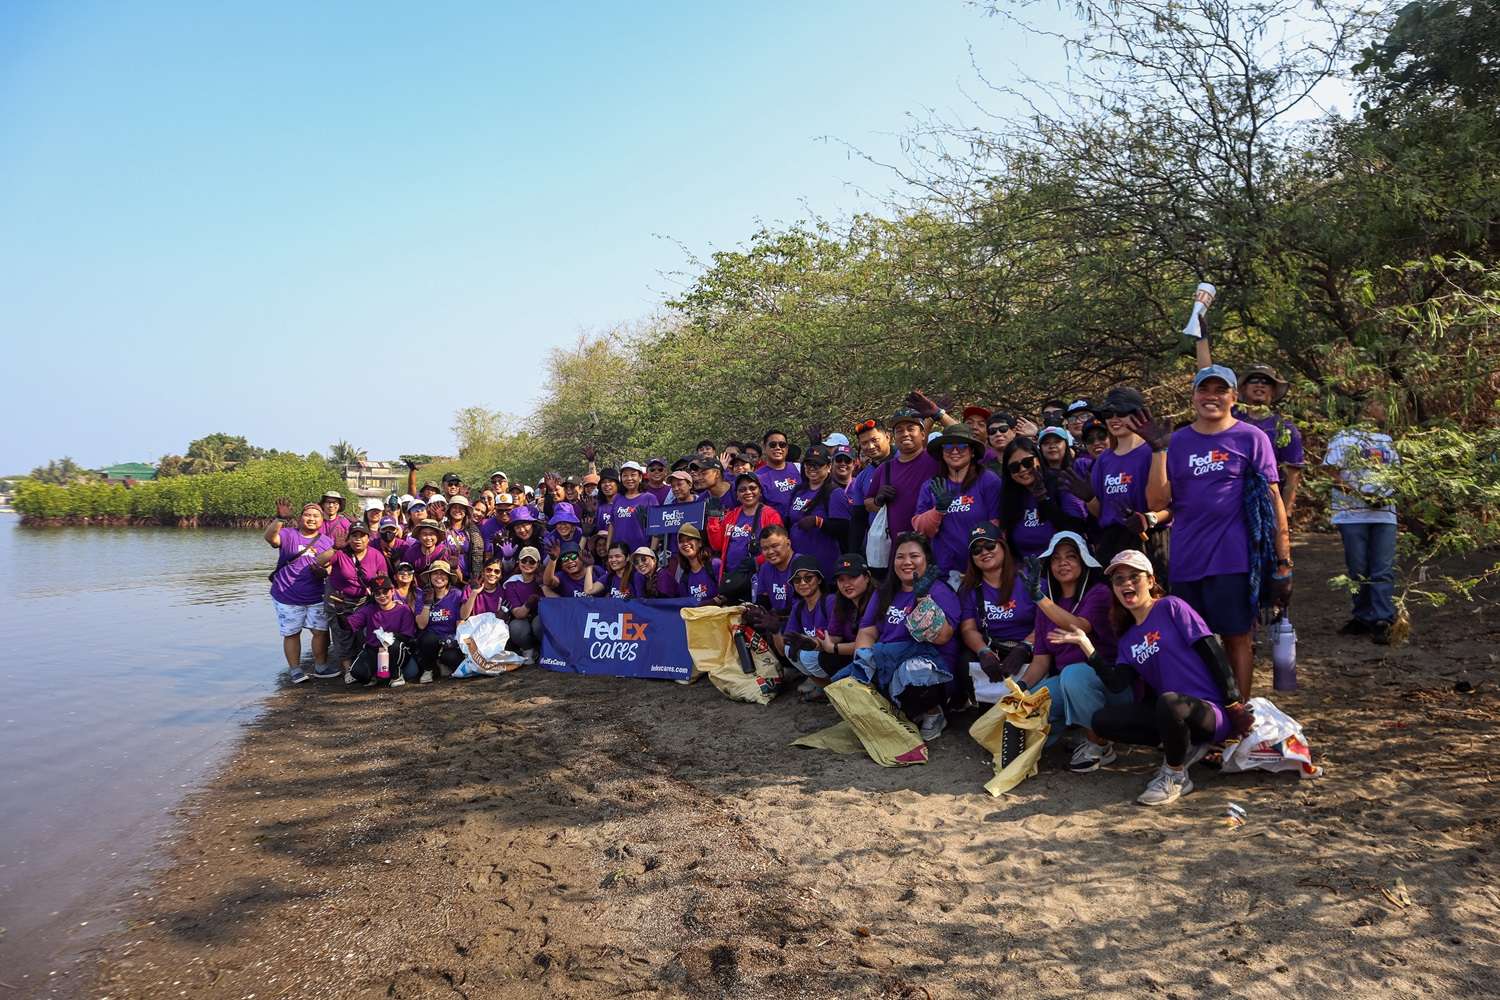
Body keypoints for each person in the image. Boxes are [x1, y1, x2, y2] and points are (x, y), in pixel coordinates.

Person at [1138, 365, 1292, 697]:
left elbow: (1273, 500)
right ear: (1193, 397)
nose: (1211, 396)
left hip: (1232, 560)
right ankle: (1205, 713)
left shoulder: (1252, 438)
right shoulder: (1177, 442)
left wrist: (1284, 561)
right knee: (1192, 640)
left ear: (1234, 397)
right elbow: (1157, 501)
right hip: (1186, 560)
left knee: (1238, 637)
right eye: (1203, 390)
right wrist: (1159, 451)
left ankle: (1241, 718)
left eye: (1220, 390)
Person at [1054, 549, 1251, 806]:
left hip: (1209, 712)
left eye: (1134, 576)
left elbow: (1212, 651)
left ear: (1150, 580)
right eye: (1119, 579)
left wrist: (1233, 703)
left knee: (1169, 703)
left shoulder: (1172, 607)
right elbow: (1116, 683)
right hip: (1171, 714)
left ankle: (1175, 775)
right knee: (1102, 720)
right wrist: (1086, 645)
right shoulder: (1127, 639)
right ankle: (1182, 745)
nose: (1126, 583)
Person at [841, 532, 963, 742]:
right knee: (848, 681)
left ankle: (934, 712)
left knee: (913, 672)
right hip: (888, 659)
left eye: (914, 556)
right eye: (900, 557)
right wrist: (863, 657)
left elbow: (943, 637)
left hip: (930, 663)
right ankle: (903, 711)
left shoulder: (940, 591)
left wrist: (923, 600)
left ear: (927, 559)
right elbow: (868, 629)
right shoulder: (884, 592)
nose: (907, 562)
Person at [1013, 533, 1120, 763]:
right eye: (1056, 559)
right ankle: (1079, 734)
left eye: (1071, 556)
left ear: (1083, 562)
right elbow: (1041, 661)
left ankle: (1099, 744)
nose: (1063, 563)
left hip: (1109, 684)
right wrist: (1020, 690)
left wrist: (1040, 598)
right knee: (1025, 714)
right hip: (1067, 684)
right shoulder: (1046, 606)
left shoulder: (1099, 593)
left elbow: (1079, 626)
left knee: (1073, 674)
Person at [1068, 386, 1172, 572]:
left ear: (1140, 414)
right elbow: (1101, 511)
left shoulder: (1153, 451)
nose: (1114, 419)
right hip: (1112, 541)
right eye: (1108, 413)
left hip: (1147, 538)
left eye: (1122, 412)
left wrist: (1158, 451)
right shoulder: (1103, 461)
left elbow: (1161, 504)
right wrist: (1090, 498)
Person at [1324, 398, 1400, 644]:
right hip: (1352, 513)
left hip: (1384, 514)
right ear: (1366, 408)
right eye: (1381, 404)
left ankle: (1382, 619)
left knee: (1382, 568)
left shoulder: (1386, 441)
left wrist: (1385, 494)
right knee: (1358, 568)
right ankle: (1362, 616)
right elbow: (1332, 472)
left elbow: (1398, 474)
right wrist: (1362, 496)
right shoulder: (1343, 438)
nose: (1385, 409)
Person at [912, 424, 1003, 583]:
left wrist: (987, 562)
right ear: (942, 452)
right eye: (948, 447)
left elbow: (997, 525)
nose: (955, 451)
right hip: (944, 572)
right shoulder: (931, 486)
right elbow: (920, 528)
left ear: (972, 451)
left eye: (962, 446)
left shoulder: (988, 480)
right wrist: (938, 510)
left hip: (983, 571)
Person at [265, 499, 336, 683]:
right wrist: (279, 519)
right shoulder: (288, 534)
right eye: (307, 515)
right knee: (292, 633)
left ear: (322, 520)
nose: (311, 519)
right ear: (300, 518)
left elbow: (329, 567)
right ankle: (295, 670)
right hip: (287, 594)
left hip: (316, 594)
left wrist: (324, 571)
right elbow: (270, 538)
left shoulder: (327, 541)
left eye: (316, 516)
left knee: (320, 631)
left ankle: (320, 666)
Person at [959, 523, 1037, 688]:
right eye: (977, 550)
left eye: (989, 545)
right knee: (964, 659)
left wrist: (1026, 646)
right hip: (993, 649)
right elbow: (968, 629)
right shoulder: (969, 588)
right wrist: (983, 652)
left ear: (1002, 545)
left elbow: (1047, 623)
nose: (984, 552)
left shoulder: (1028, 578)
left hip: (1029, 650)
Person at [317, 522, 390, 677]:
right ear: (348, 538)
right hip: (339, 601)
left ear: (368, 538)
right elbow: (318, 562)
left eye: (362, 536)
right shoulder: (340, 553)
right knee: (342, 635)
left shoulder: (376, 555)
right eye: (354, 536)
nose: (358, 540)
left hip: (363, 601)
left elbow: (383, 579)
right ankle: (348, 671)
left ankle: (363, 667)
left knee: (363, 635)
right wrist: (334, 548)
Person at [863, 406, 941, 545]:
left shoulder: (936, 460)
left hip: (934, 544)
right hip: (899, 548)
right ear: (893, 437)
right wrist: (878, 501)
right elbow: (868, 504)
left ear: (923, 434)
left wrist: (940, 415)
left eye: (911, 428)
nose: (905, 434)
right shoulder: (884, 469)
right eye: (899, 430)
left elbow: (968, 443)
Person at [1000, 437, 1087, 559]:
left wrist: (1044, 499)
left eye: (1027, 462)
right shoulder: (1010, 497)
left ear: (1038, 459)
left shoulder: (1061, 484)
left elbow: (1075, 529)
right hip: (1025, 572)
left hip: (1060, 569)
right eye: (1014, 467)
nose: (1023, 470)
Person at [1236, 364, 1305, 519]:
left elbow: (1293, 475)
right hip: (1229, 502)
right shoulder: (1229, 420)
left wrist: (1285, 514)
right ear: (1243, 388)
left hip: (1266, 504)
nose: (1260, 385)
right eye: (1254, 380)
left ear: (1273, 391)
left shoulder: (1285, 428)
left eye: (1266, 382)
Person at [787, 444, 850, 579]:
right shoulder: (798, 491)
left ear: (828, 467)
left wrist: (818, 522)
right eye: (808, 464)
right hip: (798, 562)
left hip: (823, 564)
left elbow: (845, 528)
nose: (811, 468)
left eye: (817, 464)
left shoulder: (834, 493)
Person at [345, 576, 420, 687]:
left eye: (385, 591)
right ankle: (376, 675)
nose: (382, 596)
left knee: (411, 672)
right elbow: (348, 626)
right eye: (377, 593)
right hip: (374, 651)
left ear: (392, 591)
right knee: (357, 673)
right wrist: (340, 614)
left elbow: (407, 636)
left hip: (397, 650)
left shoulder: (403, 609)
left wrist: (388, 638)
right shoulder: (368, 609)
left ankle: (396, 675)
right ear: (373, 595)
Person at [716, 474, 784, 596]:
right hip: (733, 578)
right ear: (737, 495)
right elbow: (717, 545)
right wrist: (712, 521)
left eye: (752, 488)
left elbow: (780, 548)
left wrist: (757, 561)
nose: (748, 492)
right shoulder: (731, 515)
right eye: (742, 490)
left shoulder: (771, 515)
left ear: (760, 491)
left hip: (759, 579)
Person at [781, 555, 836, 700]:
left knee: (806, 654)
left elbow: (837, 638)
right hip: (819, 655)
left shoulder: (830, 601)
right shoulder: (798, 606)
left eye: (808, 578)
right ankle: (827, 689)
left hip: (836, 654)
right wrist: (775, 631)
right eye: (797, 580)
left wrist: (811, 642)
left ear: (818, 579)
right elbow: (785, 643)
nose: (803, 583)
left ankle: (838, 690)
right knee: (789, 649)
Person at [414, 560, 467, 682]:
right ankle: (428, 670)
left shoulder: (457, 594)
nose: (439, 577)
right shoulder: (422, 596)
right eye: (435, 573)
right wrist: (427, 604)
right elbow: (421, 625)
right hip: (430, 640)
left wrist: (456, 641)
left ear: (448, 578)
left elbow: (461, 620)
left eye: (443, 574)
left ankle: (441, 664)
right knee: (429, 639)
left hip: (449, 639)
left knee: (453, 659)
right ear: (429, 577)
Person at [846, 417, 892, 557]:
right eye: (864, 443)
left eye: (874, 440)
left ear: (888, 437)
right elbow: (858, 520)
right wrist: (852, 554)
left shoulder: (906, 461)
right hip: (879, 549)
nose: (870, 446)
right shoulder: (862, 477)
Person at [606, 462, 658, 555]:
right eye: (625, 475)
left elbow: (656, 528)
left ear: (640, 477)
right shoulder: (617, 498)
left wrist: (652, 552)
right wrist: (608, 546)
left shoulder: (649, 498)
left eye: (633, 475)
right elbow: (612, 524)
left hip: (641, 552)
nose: (629, 478)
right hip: (619, 553)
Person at [503, 547, 544, 662]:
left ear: (538, 564)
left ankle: (544, 648)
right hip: (523, 619)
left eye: (532, 561)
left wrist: (543, 586)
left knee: (539, 623)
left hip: (539, 617)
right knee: (516, 627)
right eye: (524, 561)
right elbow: (518, 613)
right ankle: (528, 650)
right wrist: (529, 602)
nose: (527, 564)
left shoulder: (542, 579)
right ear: (518, 562)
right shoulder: (512, 583)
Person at [667, 523, 720, 605]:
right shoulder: (684, 579)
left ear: (700, 543)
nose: (685, 544)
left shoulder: (715, 565)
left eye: (689, 539)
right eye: (681, 541)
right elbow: (686, 606)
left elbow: (727, 594)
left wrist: (711, 603)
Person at [755, 430, 801, 520]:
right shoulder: (757, 477)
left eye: (782, 445)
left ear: (787, 449)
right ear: (764, 448)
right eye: (773, 445)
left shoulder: (799, 468)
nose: (778, 448)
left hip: (801, 528)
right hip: (775, 528)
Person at [443, 494, 485, 584]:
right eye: (454, 507)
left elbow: (477, 552)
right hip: (445, 576)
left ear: (466, 512)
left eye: (461, 508)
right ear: (449, 510)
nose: (457, 511)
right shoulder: (443, 528)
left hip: (467, 578)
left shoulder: (472, 530)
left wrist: (476, 575)